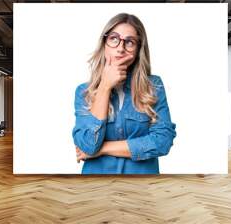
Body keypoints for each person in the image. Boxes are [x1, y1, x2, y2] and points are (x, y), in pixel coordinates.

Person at [72, 13, 176, 174]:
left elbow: (162, 141)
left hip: (141, 188)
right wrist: (105, 87)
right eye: (114, 39)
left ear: (138, 49)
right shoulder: (83, 92)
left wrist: (103, 149)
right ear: (104, 44)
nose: (120, 48)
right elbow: (88, 145)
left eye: (129, 42)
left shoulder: (153, 86)